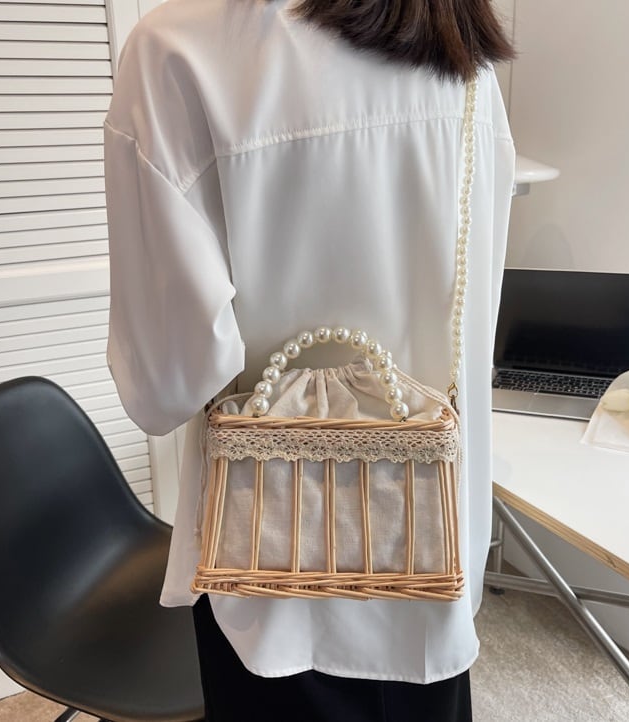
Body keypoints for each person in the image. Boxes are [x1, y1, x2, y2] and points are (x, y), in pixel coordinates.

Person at [104, 1, 515, 720]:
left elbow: (165, 386)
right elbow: (476, 300)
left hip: (271, 571)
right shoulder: (457, 47)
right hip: (432, 549)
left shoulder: (177, 49)